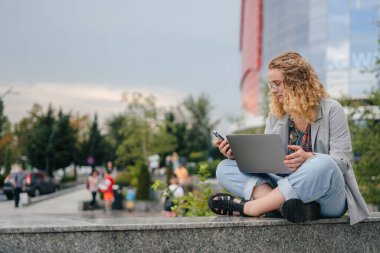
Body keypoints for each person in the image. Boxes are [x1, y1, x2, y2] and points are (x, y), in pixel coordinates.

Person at [208, 51, 369, 225]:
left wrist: (309, 157)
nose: (274, 90)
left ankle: (252, 208)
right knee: (224, 168)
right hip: (286, 189)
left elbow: (342, 163)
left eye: (278, 84)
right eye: (271, 85)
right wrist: (238, 156)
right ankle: (288, 208)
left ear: (297, 83)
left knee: (325, 163)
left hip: (327, 197)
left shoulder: (332, 110)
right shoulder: (276, 116)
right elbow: (267, 163)